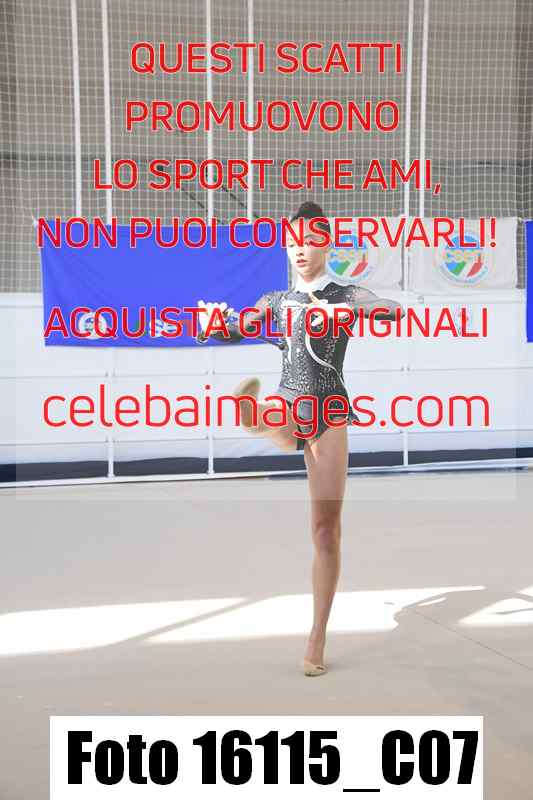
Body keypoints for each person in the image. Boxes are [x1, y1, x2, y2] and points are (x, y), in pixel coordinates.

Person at [196, 201, 404, 676]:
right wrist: (213, 326)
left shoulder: (345, 293)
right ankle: (256, 417)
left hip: (331, 414)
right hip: (290, 403)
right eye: (293, 242)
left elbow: (390, 311)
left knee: (326, 531)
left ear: (326, 244)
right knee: (279, 414)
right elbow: (235, 329)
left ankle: (317, 636)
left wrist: (350, 310)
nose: (301, 249)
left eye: (310, 240)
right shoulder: (275, 301)